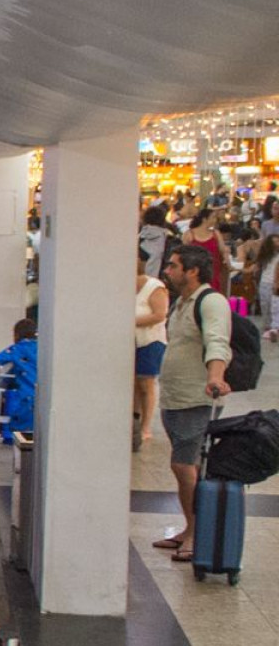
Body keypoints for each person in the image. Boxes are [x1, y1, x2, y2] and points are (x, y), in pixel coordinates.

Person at [153, 245, 234, 563]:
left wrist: (215, 376)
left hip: (196, 398)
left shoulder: (211, 302)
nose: (168, 271)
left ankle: (197, 533)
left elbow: (218, 343)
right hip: (176, 397)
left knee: (184, 466)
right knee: (184, 466)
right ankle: (189, 528)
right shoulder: (182, 303)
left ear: (192, 271)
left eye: (173, 266)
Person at [135, 246, 171, 453]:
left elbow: (159, 315)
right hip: (130, 342)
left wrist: (133, 321)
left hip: (150, 341)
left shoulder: (155, 286)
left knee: (146, 382)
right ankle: (134, 422)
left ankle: (146, 426)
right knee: (133, 384)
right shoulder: (122, 286)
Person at [182, 206, 229, 292]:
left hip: (213, 273)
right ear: (204, 219)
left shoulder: (215, 234)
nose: (215, 220)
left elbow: (223, 250)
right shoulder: (189, 234)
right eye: (213, 217)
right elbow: (183, 254)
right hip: (195, 273)